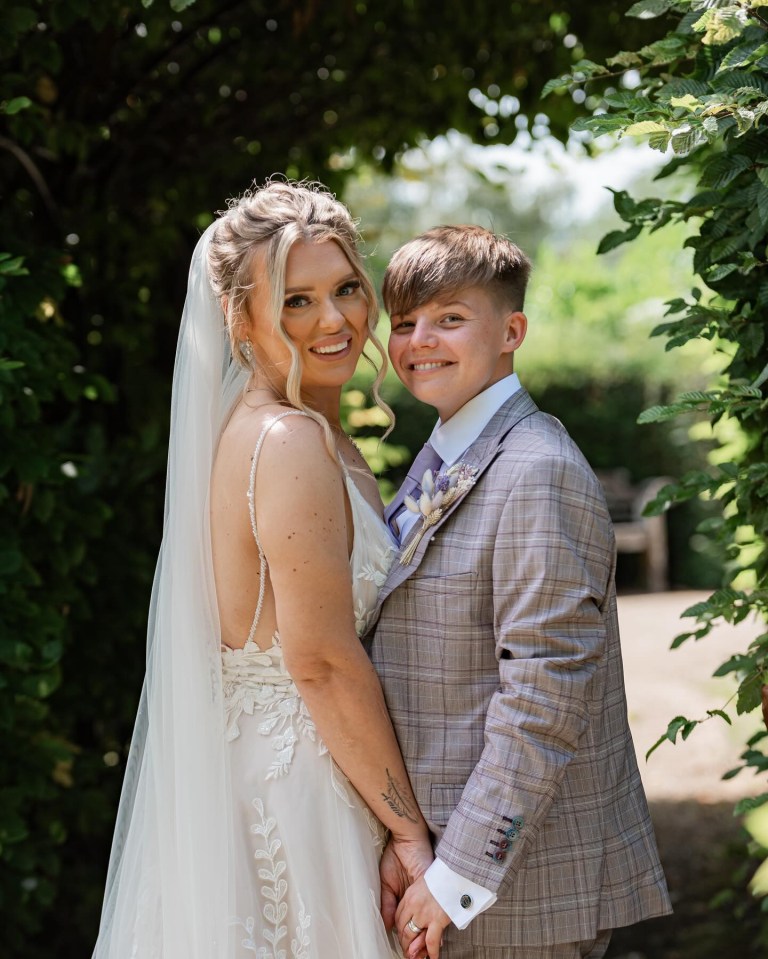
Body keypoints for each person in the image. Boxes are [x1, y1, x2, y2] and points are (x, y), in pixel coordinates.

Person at [92, 179, 434, 959]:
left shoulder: (269, 430)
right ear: (238, 318)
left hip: (255, 769)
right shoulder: (287, 442)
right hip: (300, 790)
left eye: (347, 287)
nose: (337, 319)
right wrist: (408, 827)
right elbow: (319, 661)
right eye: (296, 301)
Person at [370, 225, 673, 959]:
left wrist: (458, 874)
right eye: (405, 322)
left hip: (516, 889)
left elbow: (544, 692)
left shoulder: (536, 468)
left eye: (448, 318)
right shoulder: (445, 453)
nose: (419, 341)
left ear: (512, 331)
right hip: (432, 859)